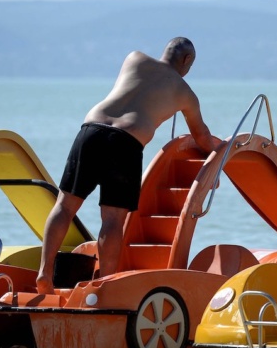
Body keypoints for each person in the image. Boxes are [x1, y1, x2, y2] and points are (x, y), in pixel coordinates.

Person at [36, 37, 218, 295]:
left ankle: (44, 273)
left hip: (90, 130)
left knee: (64, 206)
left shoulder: (134, 58)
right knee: (112, 220)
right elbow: (201, 135)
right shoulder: (185, 92)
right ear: (187, 60)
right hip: (126, 142)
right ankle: (106, 284)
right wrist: (216, 156)